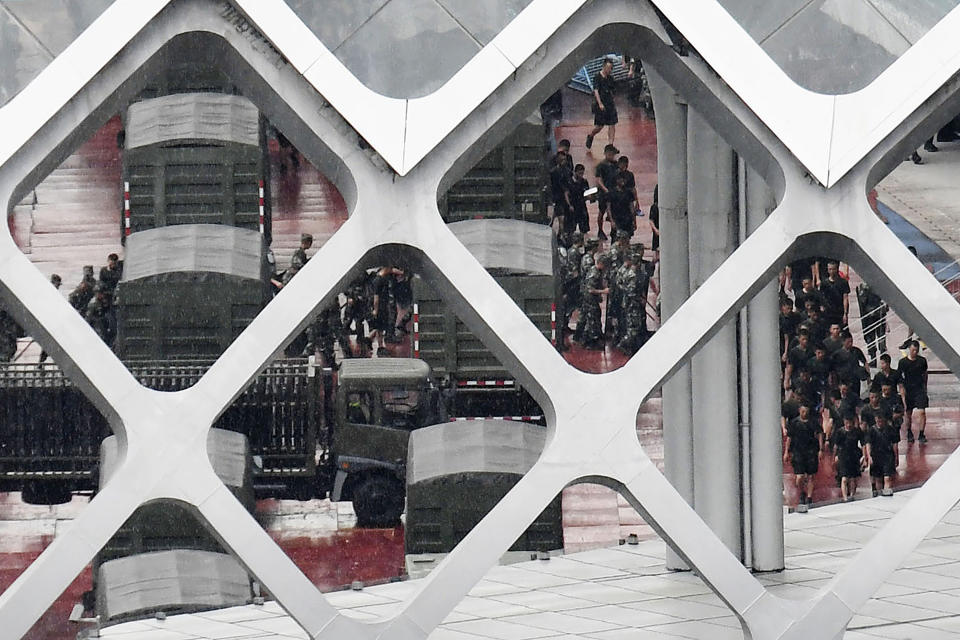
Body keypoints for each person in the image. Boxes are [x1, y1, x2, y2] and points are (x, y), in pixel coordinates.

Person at [784, 401, 820, 512]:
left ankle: (809, 497)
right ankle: (801, 492)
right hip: (798, 451)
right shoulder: (794, 423)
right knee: (799, 477)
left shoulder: (813, 422)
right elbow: (789, 438)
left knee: (810, 476)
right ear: (799, 410)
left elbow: (819, 434)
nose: (804, 413)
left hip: (811, 451)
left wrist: (821, 449)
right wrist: (786, 451)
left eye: (806, 411)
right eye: (803, 411)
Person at [577, 252, 610, 349]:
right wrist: (603, 291)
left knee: (592, 317)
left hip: (591, 299)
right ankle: (590, 342)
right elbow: (590, 289)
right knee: (592, 320)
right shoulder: (594, 273)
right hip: (589, 300)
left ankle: (591, 338)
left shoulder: (596, 270)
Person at [898, 339, 929, 443]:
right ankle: (909, 431)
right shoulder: (903, 362)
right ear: (909, 350)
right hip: (908, 390)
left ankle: (921, 433)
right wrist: (902, 392)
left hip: (919, 389)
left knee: (922, 412)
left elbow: (925, 374)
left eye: (916, 350)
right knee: (908, 413)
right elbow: (900, 378)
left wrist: (925, 387)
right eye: (912, 350)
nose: (914, 352)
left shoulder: (922, 361)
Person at [585, 57, 618, 150]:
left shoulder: (610, 78)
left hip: (610, 104)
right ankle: (591, 135)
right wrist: (600, 103)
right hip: (601, 104)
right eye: (608, 68)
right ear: (604, 67)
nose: (609, 70)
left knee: (612, 124)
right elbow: (596, 91)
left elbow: (613, 90)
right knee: (600, 126)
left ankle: (610, 145)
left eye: (611, 68)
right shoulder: (597, 77)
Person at [866, 410, 898, 497]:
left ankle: (887, 493)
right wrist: (869, 457)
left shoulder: (890, 429)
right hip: (876, 456)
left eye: (881, 421)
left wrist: (896, 457)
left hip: (888, 455)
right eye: (878, 421)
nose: (879, 423)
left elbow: (895, 444)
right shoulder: (871, 430)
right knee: (878, 478)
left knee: (887, 477)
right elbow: (868, 444)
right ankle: (880, 495)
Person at [833, 413, 865, 502]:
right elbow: (836, 445)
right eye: (847, 422)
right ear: (844, 422)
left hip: (854, 456)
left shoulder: (857, 431)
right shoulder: (840, 432)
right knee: (844, 478)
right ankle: (845, 497)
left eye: (850, 422)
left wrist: (864, 456)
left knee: (853, 479)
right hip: (843, 456)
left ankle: (852, 495)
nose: (849, 425)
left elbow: (863, 444)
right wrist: (834, 457)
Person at [856, 282, 887, 367]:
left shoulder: (881, 285)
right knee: (870, 339)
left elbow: (886, 300)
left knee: (881, 338)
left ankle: (884, 360)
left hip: (879, 315)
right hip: (869, 316)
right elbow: (862, 300)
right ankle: (873, 359)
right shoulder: (863, 286)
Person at [594, 144, 620, 240]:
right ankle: (600, 230)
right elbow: (598, 179)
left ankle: (614, 230)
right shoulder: (601, 166)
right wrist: (605, 189)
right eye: (610, 153)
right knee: (602, 211)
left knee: (615, 211)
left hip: (614, 191)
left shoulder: (615, 165)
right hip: (604, 193)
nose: (611, 155)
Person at [818, 260, 850, 328]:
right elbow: (821, 296)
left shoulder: (843, 282)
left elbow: (845, 298)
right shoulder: (824, 283)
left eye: (833, 269)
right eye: (830, 269)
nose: (832, 271)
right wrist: (822, 307)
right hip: (828, 311)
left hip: (839, 311)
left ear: (837, 269)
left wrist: (845, 313)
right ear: (828, 270)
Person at [549, 149, 573, 229]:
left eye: (564, 159)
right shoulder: (554, 172)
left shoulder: (567, 171)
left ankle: (560, 231)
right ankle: (561, 234)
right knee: (561, 217)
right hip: (558, 197)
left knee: (561, 215)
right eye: (562, 159)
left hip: (563, 197)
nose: (564, 161)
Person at [649, 184, 660, 262]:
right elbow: (651, 220)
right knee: (656, 257)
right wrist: (656, 230)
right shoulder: (655, 207)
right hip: (657, 233)